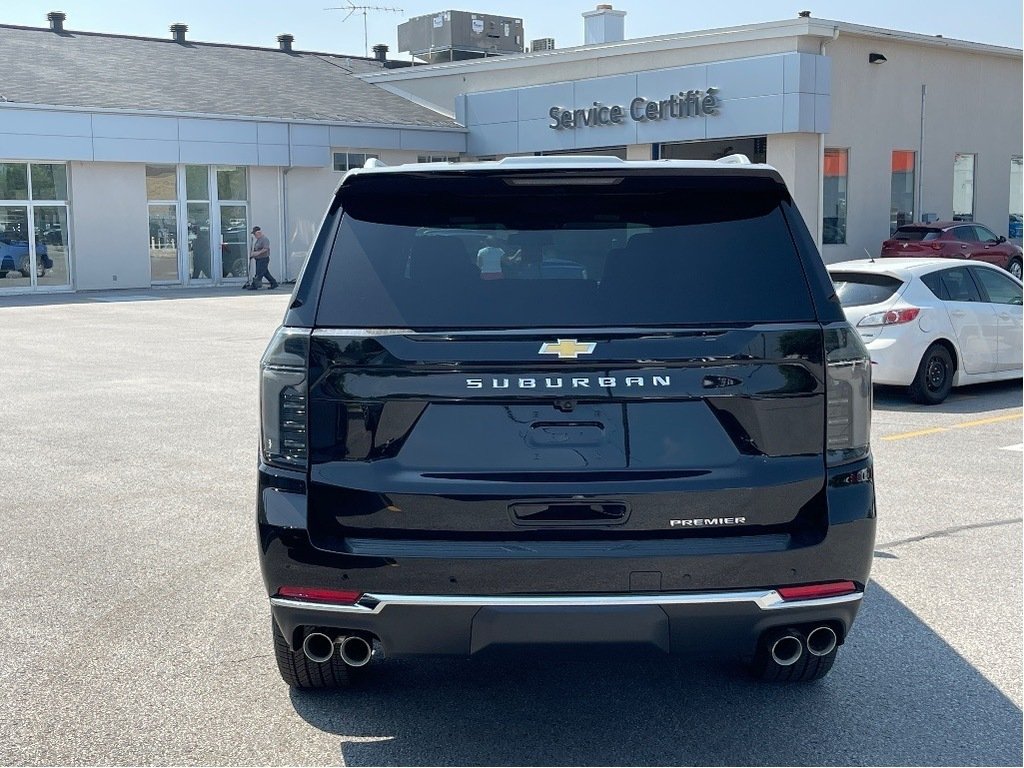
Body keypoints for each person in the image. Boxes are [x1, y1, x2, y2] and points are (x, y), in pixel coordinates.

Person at [246, 226, 278, 290]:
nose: (254, 235)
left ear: (258, 233)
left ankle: (255, 285)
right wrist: (253, 255)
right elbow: (256, 249)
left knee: (259, 273)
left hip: (263, 259)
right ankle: (274, 283)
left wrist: (258, 253)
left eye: (255, 234)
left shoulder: (264, 239)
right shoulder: (258, 240)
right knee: (265, 273)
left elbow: (265, 249)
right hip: (258, 259)